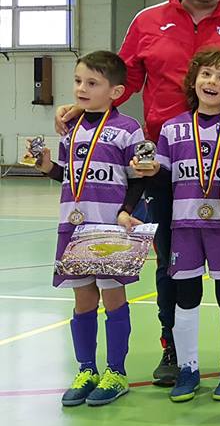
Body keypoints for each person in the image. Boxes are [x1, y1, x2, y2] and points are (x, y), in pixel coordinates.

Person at [56, 0, 220, 386]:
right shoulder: (148, 21)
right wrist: (84, 105)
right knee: (169, 263)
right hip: (166, 164)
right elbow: (120, 79)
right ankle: (173, 348)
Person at [34, 51, 147, 406]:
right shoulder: (70, 128)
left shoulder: (128, 129)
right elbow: (69, 176)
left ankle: (116, 372)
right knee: (83, 300)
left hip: (109, 228)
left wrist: (127, 211)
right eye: (78, 81)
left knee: (113, 299)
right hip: (72, 226)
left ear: (116, 92)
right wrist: (48, 167)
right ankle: (86, 369)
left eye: (92, 83)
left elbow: (139, 178)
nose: (81, 89)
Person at [138, 49, 220, 402]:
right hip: (185, 226)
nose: (212, 82)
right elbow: (162, 177)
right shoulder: (172, 128)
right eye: (206, 74)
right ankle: (187, 368)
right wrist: (149, 170)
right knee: (186, 298)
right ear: (193, 80)